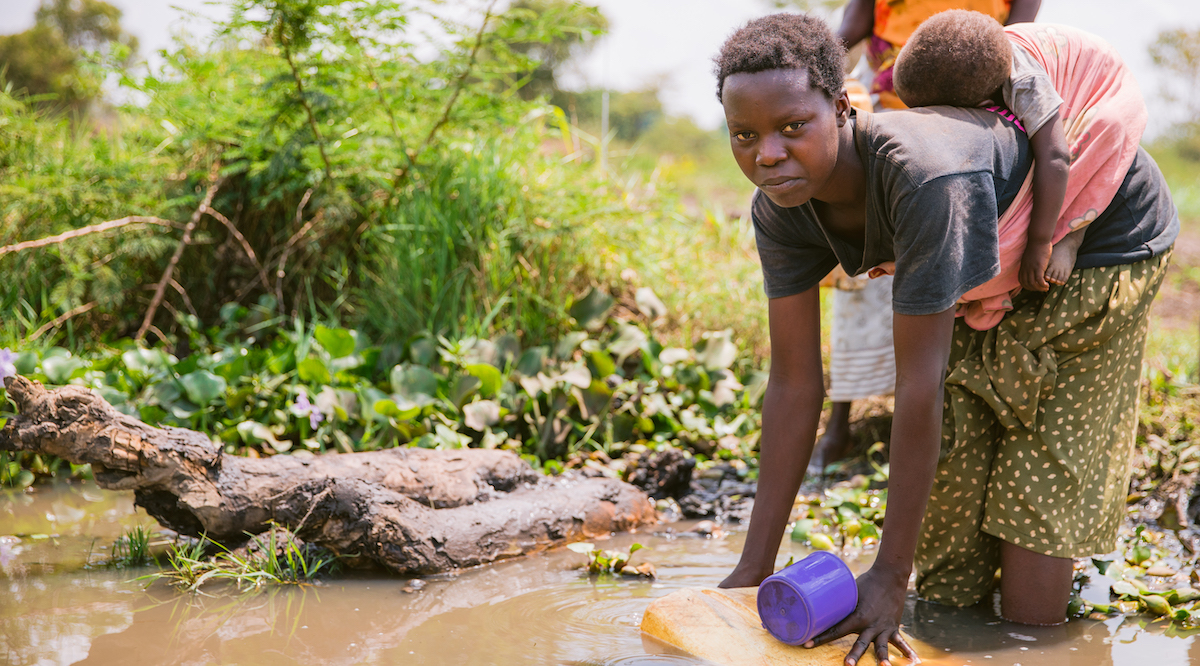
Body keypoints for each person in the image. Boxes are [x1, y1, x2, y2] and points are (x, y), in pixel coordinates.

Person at [713, 12, 1177, 666]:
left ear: (844, 108)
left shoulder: (921, 177)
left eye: (794, 127)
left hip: (1094, 243)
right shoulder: (780, 210)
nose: (767, 154)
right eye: (744, 135)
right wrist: (751, 571)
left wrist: (886, 577)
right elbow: (794, 385)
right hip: (979, 269)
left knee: (1030, 611)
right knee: (949, 578)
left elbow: (917, 385)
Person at [813, 0, 1041, 468]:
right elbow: (852, 27)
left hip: (973, 121)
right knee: (863, 264)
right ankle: (841, 424)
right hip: (891, 110)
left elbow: (1016, 39)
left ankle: (929, 426)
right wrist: (811, 91)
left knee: (951, 272)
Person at [894, 10, 1145, 297]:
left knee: (1087, 142)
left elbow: (1056, 158)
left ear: (983, 105)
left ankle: (1073, 235)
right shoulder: (972, 63)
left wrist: (1040, 242)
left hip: (1099, 89)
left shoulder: (1026, 84)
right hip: (1041, 74)